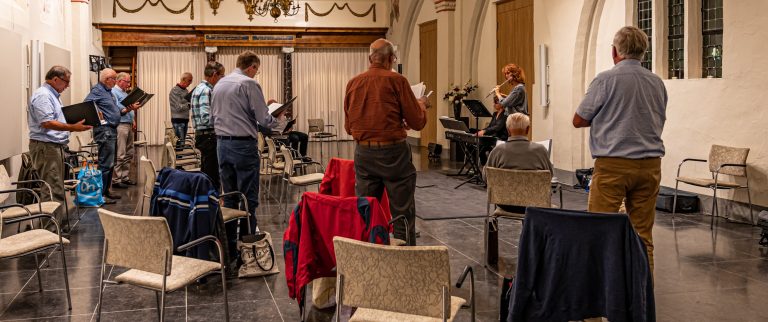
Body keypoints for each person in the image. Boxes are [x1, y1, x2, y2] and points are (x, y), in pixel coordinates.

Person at [573, 26, 667, 273]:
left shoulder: (606, 79)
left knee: (598, 232)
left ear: (615, 51)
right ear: (643, 52)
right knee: (642, 236)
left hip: (613, 164)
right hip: (650, 165)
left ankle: (595, 304)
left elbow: (579, 119)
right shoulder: (657, 82)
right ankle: (643, 301)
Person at [344, 38, 429, 246]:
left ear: (369, 58)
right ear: (391, 59)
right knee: (402, 210)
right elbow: (417, 122)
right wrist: (422, 104)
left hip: (364, 153)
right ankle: (403, 260)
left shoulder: (353, 83)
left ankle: (365, 254)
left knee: (365, 209)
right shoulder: (397, 81)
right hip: (394, 154)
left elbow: (349, 127)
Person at [211, 51, 283, 260]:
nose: (255, 74)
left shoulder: (220, 84)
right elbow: (263, 119)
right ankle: (248, 242)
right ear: (251, 67)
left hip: (222, 144)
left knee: (231, 196)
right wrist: (278, 118)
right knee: (249, 197)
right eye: (256, 70)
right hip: (243, 145)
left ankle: (230, 244)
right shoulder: (248, 84)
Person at [27, 66, 92, 223]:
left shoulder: (53, 95)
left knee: (56, 186)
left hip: (52, 146)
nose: (68, 85)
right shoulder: (43, 95)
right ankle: (51, 229)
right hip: (46, 147)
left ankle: (56, 225)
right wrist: (73, 127)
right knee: (52, 188)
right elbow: (47, 122)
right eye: (66, 82)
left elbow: (57, 119)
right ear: (55, 79)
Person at [85, 68, 141, 204]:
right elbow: (86, 104)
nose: (115, 81)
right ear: (106, 79)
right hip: (105, 131)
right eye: (114, 79)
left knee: (111, 163)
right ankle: (101, 194)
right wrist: (98, 116)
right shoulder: (98, 90)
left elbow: (117, 111)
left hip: (112, 130)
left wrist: (128, 109)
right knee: (105, 164)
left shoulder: (109, 92)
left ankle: (107, 190)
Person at [485, 112, 552, 213]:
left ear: (508, 130)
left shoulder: (497, 151)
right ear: (528, 129)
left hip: (505, 203)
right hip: (536, 203)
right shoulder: (540, 150)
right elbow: (549, 176)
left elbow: (486, 177)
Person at [191, 61, 225, 189]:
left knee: (207, 173)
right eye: (222, 76)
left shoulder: (198, 88)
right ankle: (212, 202)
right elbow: (206, 119)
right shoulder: (206, 90)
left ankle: (206, 201)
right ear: (215, 74)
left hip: (204, 136)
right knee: (212, 175)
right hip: (209, 136)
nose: (222, 79)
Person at [111, 72, 137, 188]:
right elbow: (117, 110)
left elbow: (128, 109)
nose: (128, 84)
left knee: (129, 152)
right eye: (127, 81)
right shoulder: (113, 92)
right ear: (120, 81)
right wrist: (129, 108)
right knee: (120, 153)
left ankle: (124, 177)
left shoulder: (124, 92)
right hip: (120, 125)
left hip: (128, 123)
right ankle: (116, 179)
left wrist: (133, 120)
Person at [476, 96, 509, 165]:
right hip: (492, 137)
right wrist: (482, 131)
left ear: (501, 103)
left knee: (483, 147)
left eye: (496, 102)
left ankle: (489, 166)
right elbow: (490, 126)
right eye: (494, 102)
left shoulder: (506, 114)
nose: (494, 104)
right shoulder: (495, 114)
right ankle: (484, 166)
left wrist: (484, 132)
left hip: (501, 138)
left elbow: (498, 127)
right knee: (479, 147)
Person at [170, 72, 193, 148]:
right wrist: (189, 105)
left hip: (185, 120)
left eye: (191, 81)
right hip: (178, 121)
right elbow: (178, 107)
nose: (190, 83)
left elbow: (185, 104)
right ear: (183, 79)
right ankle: (178, 160)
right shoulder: (175, 91)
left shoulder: (186, 91)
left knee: (181, 145)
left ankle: (180, 159)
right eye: (189, 80)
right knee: (179, 146)